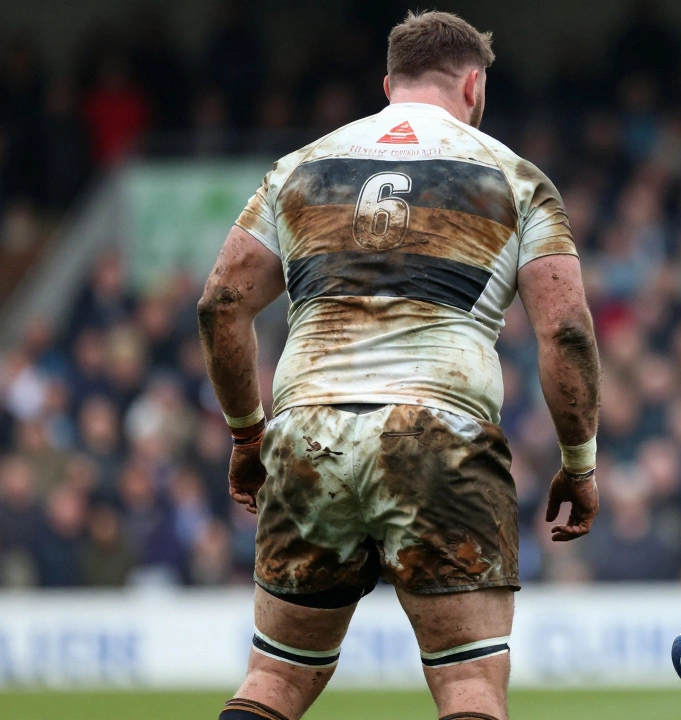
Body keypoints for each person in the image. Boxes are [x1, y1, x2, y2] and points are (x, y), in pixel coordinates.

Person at [196, 12, 601, 720]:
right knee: (468, 687)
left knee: (276, 680)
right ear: (473, 85)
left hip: (308, 432)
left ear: (388, 85)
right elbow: (565, 332)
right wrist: (580, 461)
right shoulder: (514, 177)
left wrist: (245, 433)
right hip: (439, 432)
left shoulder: (300, 168)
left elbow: (221, 303)